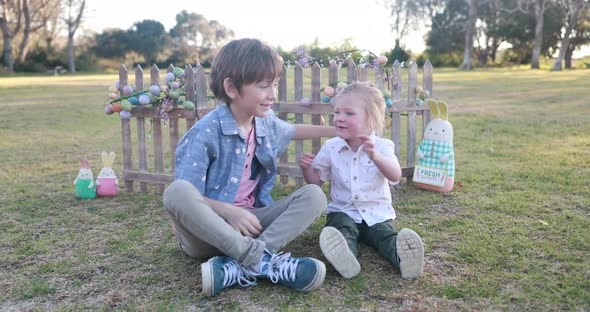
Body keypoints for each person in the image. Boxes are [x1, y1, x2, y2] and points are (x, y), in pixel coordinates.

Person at [163, 38, 335, 297]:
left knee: (314, 195)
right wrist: (229, 212)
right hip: (206, 236)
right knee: (176, 192)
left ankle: (242, 265)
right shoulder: (205, 133)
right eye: (264, 86)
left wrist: (341, 131)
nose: (273, 95)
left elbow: (293, 130)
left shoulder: (264, 122)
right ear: (232, 88)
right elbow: (191, 197)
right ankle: (260, 259)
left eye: (275, 84)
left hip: (252, 225)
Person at [299, 81, 424, 280]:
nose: (339, 118)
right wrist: (307, 168)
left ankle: (404, 259)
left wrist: (376, 157)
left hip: (377, 213)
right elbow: (315, 183)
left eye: (349, 113)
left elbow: (395, 175)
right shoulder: (331, 147)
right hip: (343, 210)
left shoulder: (382, 146)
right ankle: (345, 257)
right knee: (342, 229)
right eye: (337, 112)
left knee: (385, 237)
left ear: (371, 119)